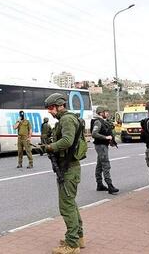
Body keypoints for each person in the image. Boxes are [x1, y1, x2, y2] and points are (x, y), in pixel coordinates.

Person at [42, 93, 86, 254]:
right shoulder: (66, 119)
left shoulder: (67, 119)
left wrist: (50, 147)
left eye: (51, 108)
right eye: (48, 109)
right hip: (68, 167)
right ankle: (78, 237)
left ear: (60, 105)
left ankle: (72, 244)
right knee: (71, 204)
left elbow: (67, 140)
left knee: (66, 206)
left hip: (69, 169)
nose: (50, 111)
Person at [91, 106, 119, 194]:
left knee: (99, 165)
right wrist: (106, 137)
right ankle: (110, 185)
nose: (107, 113)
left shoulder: (103, 122)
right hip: (101, 146)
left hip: (103, 145)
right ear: (100, 113)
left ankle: (99, 184)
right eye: (105, 112)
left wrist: (111, 140)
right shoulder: (98, 122)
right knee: (106, 164)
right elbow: (94, 134)